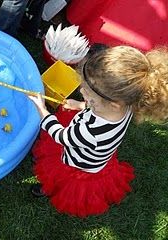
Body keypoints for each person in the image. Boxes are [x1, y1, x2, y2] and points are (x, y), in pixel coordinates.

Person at [28, 45, 168, 218]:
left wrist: (43, 112)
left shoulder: (90, 131)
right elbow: (96, 107)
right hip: (96, 153)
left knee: (58, 176)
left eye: (88, 93)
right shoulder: (126, 104)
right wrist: (81, 105)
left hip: (78, 164)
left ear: (114, 103)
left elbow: (61, 137)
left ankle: (50, 188)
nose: (81, 91)